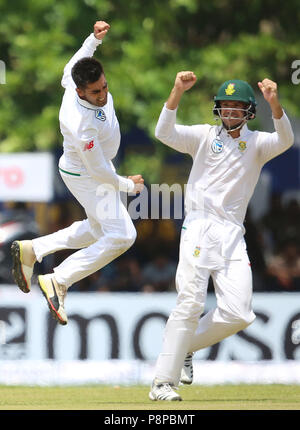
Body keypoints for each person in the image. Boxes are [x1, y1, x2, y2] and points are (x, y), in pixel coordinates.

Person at [149, 72, 294, 401]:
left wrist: (275, 103)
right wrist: (176, 91)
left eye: (236, 107)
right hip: (199, 225)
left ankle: (184, 346)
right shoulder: (202, 136)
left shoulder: (257, 144)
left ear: (248, 111)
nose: (230, 112)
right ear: (217, 109)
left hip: (232, 232)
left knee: (239, 313)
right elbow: (163, 131)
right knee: (190, 303)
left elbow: (284, 140)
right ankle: (162, 383)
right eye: (225, 106)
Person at [11, 21, 144, 325]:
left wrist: (93, 40)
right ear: (80, 90)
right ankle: (59, 280)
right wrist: (125, 185)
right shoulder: (79, 123)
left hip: (93, 170)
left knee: (99, 231)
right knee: (124, 235)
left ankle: (35, 249)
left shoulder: (75, 79)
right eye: (95, 92)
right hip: (87, 174)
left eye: (104, 87)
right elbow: (96, 168)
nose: (102, 94)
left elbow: (74, 62)